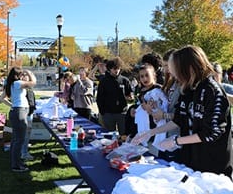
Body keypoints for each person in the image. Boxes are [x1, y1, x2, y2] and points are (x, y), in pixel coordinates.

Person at [131, 45, 232, 177]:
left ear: (189, 68)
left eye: (176, 71)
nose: (174, 76)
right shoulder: (188, 89)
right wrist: (150, 132)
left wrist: (176, 141)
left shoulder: (212, 91)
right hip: (191, 159)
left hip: (213, 164)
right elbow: (179, 119)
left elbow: (211, 133)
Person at [0, 67, 37, 172]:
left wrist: (12, 105)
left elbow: (2, 98)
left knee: (15, 139)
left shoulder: (10, 84)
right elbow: (33, 82)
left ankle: (15, 162)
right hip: (20, 112)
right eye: (21, 74)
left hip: (16, 111)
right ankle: (16, 166)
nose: (22, 76)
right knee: (19, 140)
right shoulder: (17, 83)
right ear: (17, 75)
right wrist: (29, 72)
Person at [151, 48, 181, 161]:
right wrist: (155, 109)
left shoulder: (183, 86)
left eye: (167, 65)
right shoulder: (170, 84)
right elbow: (167, 108)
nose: (165, 70)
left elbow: (181, 116)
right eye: (164, 66)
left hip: (176, 139)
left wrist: (163, 115)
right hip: (164, 136)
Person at [96, 57, 133, 135]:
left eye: (118, 68)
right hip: (108, 113)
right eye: (114, 68)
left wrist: (130, 98)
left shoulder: (124, 80)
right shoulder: (104, 81)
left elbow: (130, 95)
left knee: (124, 135)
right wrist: (102, 112)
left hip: (122, 113)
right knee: (109, 136)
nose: (117, 70)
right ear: (109, 69)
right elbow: (99, 98)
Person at [21, 72, 36, 161]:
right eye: (24, 76)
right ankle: (24, 153)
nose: (26, 78)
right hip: (25, 113)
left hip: (30, 112)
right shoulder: (22, 87)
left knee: (27, 134)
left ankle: (24, 149)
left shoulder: (29, 87)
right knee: (25, 134)